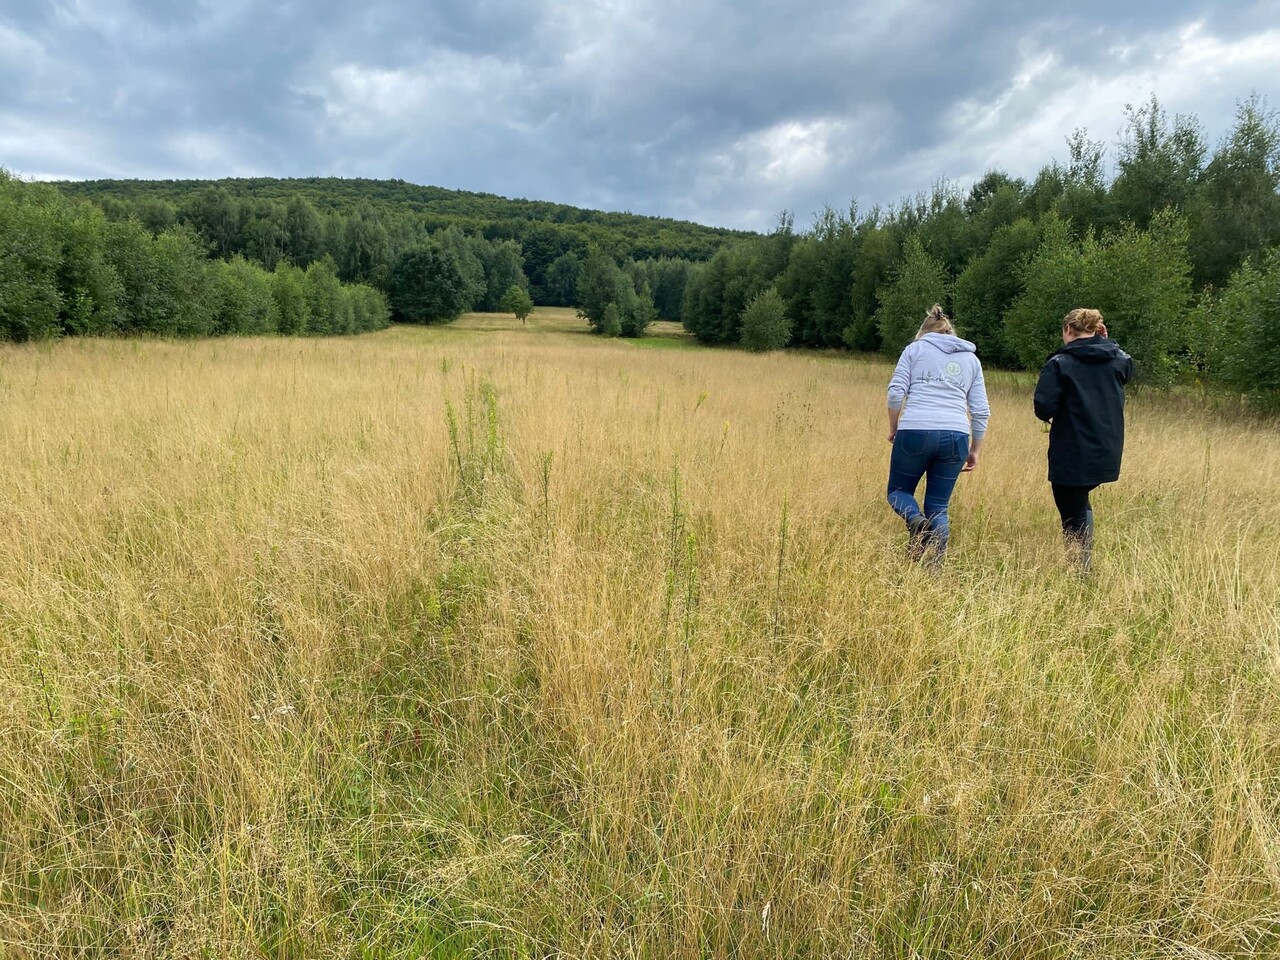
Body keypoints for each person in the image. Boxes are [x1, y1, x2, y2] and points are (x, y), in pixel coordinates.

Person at [886, 305, 990, 565]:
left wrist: (894, 427)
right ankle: (934, 569)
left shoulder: (914, 350)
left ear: (924, 331)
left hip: (914, 431)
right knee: (939, 507)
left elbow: (896, 392)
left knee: (898, 491)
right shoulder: (971, 360)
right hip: (956, 436)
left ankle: (915, 521)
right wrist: (975, 450)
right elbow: (980, 411)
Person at [1033, 308, 1134, 573]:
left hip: (1072, 447)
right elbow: (1127, 370)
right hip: (1107, 447)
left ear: (1068, 329)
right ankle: (1080, 565)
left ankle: (1081, 569)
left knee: (1072, 507)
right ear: (1098, 330)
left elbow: (1043, 408)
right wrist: (1106, 343)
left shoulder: (1060, 363)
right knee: (1079, 501)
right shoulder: (1118, 359)